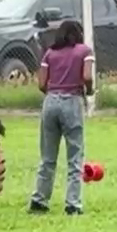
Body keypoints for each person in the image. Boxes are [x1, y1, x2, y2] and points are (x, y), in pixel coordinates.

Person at [29, 19, 93, 216]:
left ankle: (39, 200)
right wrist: (89, 92)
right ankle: (73, 203)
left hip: (50, 102)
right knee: (75, 154)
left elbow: (41, 83)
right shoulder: (84, 51)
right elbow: (88, 77)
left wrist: (53, 92)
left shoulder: (50, 53)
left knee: (47, 156)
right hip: (72, 101)